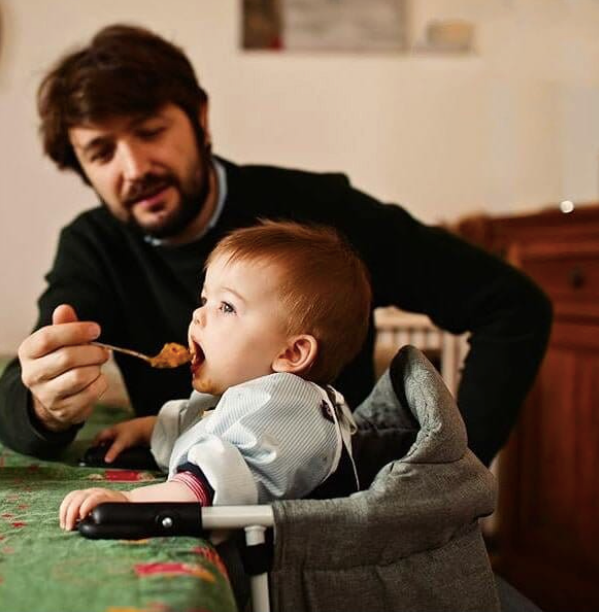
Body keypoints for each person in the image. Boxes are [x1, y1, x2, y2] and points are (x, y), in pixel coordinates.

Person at [0, 23, 551, 467]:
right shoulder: (94, 246)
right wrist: (44, 406)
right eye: (101, 152)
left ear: (200, 117)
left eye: (149, 131)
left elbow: (513, 306)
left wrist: (457, 468)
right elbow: (20, 394)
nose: (135, 168)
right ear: (81, 168)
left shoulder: (319, 212)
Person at [59, 221, 368, 530]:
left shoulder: (291, 410)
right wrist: (151, 429)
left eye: (227, 307)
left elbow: (218, 478)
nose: (198, 314)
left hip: (288, 566)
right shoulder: (245, 396)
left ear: (291, 354)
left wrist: (129, 504)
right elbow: (210, 422)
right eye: (205, 300)